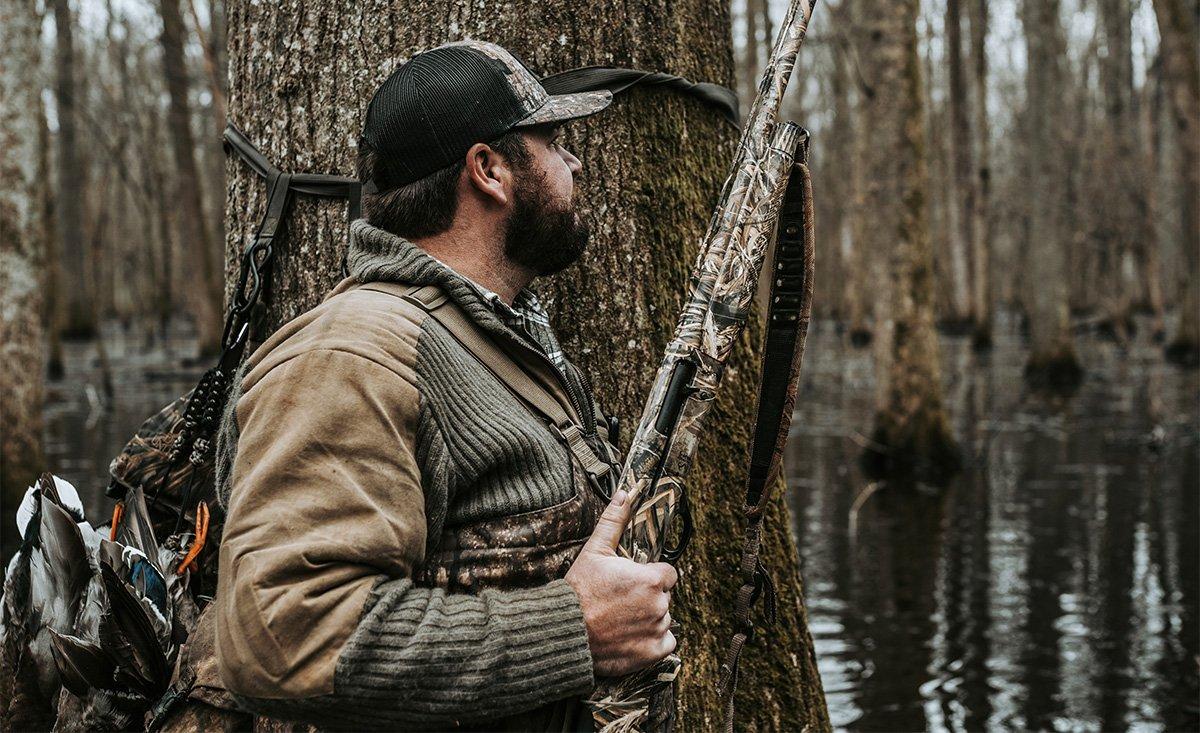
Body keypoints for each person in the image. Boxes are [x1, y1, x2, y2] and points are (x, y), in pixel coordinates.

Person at [209, 40, 679, 731]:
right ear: (489, 170)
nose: (574, 162)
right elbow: (281, 638)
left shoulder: (497, 338)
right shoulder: (353, 356)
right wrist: (572, 628)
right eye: (551, 141)